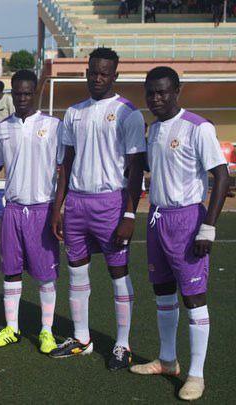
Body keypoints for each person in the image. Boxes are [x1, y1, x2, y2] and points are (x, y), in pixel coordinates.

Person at [129, 66, 228, 401]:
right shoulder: (155, 129)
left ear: (177, 91)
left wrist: (208, 227)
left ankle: (196, 375)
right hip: (157, 219)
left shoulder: (198, 127)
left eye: (162, 92)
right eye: (150, 93)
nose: (156, 98)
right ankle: (168, 360)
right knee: (163, 293)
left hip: (187, 221)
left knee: (193, 298)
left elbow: (221, 176)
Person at [49, 48, 146, 371]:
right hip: (77, 203)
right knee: (76, 270)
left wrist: (129, 214)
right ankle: (81, 338)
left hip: (111, 203)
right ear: (86, 73)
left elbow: (136, 168)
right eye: (93, 72)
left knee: (118, 273)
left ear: (115, 75)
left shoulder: (128, 113)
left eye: (104, 73)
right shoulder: (73, 113)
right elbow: (66, 164)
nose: (98, 78)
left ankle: (122, 344)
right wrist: (58, 208)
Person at [0, 70, 62, 354]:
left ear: (36, 93)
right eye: (17, 93)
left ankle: (46, 331)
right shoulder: (1, 129)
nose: (22, 98)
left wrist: (59, 208)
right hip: (13, 209)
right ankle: (12, 328)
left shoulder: (54, 126)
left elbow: (63, 168)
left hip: (43, 208)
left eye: (27, 93)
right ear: (12, 94)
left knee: (46, 276)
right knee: (11, 271)